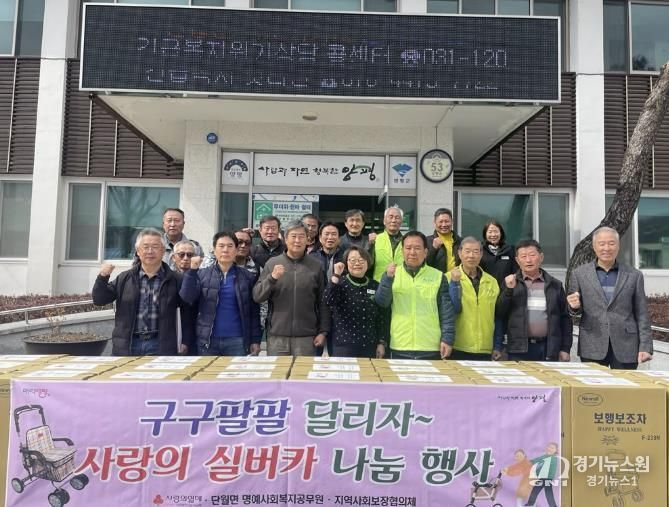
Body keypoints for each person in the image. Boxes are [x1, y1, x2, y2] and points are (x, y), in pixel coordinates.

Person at [92, 228, 193, 356]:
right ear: (138, 251)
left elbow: (187, 313)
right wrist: (102, 277)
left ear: (163, 251)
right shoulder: (124, 278)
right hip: (128, 344)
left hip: (161, 345)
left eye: (155, 247)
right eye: (145, 247)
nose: (150, 251)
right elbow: (99, 299)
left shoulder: (176, 279)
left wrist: (185, 341)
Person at [567, 226, 652, 369]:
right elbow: (575, 310)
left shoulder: (634, 275)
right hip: (592, 342)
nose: (606, 248)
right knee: (594, 383)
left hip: (626, 344)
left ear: (618, 246)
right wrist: (574, 307)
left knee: (624, 383)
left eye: (611, 243)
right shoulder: (579, 274)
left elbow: (642, 313)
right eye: (602, 244)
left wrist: (645, 346)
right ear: (594, 247)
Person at [253, 220, 330, 356]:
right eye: (293, 236)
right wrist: (272, 278)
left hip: (307, 337)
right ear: (285, 239)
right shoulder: (272, 263)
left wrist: (323, 331)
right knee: (277, 370)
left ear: (307, 239)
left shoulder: (316, 266)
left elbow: (323, 302)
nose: (297, 241)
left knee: (303, 370)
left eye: (301, 236)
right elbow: (258, 296)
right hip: (277, 336)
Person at [375, 231, 455, 360]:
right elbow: (382, 303)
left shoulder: (438, 276)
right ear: (402, 251)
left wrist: (447, 339)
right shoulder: (391, 275)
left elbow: (446, 311)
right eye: (408, 248)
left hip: (430, 346)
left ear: (425, 252)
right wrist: (387, 279)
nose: (412, 252)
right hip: (399, 345)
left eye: (417, 248)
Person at [180, 231, 261, 356]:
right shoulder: (202, 274)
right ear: (214, 250)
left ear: (236, 250)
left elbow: (254, 312)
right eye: (221, 246)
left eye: (230, 246)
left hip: (237, 340)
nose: (225, 250)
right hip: (207, 340)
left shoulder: (247, 277)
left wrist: (255, 340)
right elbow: (187, 297)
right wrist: (192, 271)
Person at [496, 239, 572, 362]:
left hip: (548, 348)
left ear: (541, 257)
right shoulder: (510, 282)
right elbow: (499, 312)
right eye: (523, 256)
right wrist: (509, 290)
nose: (528, 260)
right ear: (517, 260)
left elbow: (565, 318)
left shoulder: (554, 285)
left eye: (532, 255)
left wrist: (565, 348)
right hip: (518, 349)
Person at [323, 246, 388, 358]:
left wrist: (381, 342)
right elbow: (328, 300)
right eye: (352, 260)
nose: (357, 263)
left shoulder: (375, 285)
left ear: (368, 263)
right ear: (346, 263)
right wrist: (336, 275)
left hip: (370, 345)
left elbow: (382, 316)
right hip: (343, 345)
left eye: (361, 260)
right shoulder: (340, 283)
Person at [446, 237, 503, 361]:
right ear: (460, 253)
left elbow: (497, 316)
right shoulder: (448, 278)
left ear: (481, 254)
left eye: (476, 252)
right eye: (467, 251)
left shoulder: (492, 282)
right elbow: (451, 310)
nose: (471, 256)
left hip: (485, 348)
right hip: (457, 347)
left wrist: (497, 345)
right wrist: (455, 284)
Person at [370, 206, 405, 281]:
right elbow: (369, 263)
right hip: (379, 283)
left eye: (397, 217)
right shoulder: (375, 239)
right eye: (390, 217)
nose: (393, 220)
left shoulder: (407, 241)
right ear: (384, 221)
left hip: (401, 283)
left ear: (401, 222)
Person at [480, 219, 518, 288]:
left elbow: (516, 272)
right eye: (490, 232)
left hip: (507, 290)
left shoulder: (510, 250)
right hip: (486, 290)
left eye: (496, 231)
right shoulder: (480, 250)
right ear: (485, 234)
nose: (493, 235)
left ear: (501, 233)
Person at [426, 208, 462, 273]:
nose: (444, 225)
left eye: (446, 221)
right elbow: (423, 265)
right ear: (434, 222)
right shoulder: (426, 241)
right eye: (441, 222)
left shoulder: (460, 241)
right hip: (437, 278)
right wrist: (433, 249)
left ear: (452, 221)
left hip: (457, 278)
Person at [525, 443, 560, 507]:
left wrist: (550, 478)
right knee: (536, 490)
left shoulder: (553, 458)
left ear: (556, 450)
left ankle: (553, 505)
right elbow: (538, 459)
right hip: (543, 477)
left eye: (552, 448)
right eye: (549, 447)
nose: (550, 449)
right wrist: (531, 461)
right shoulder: (545, 456)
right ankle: (530, 503)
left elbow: (551, 469)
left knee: (548, 492)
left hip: (548, 478)